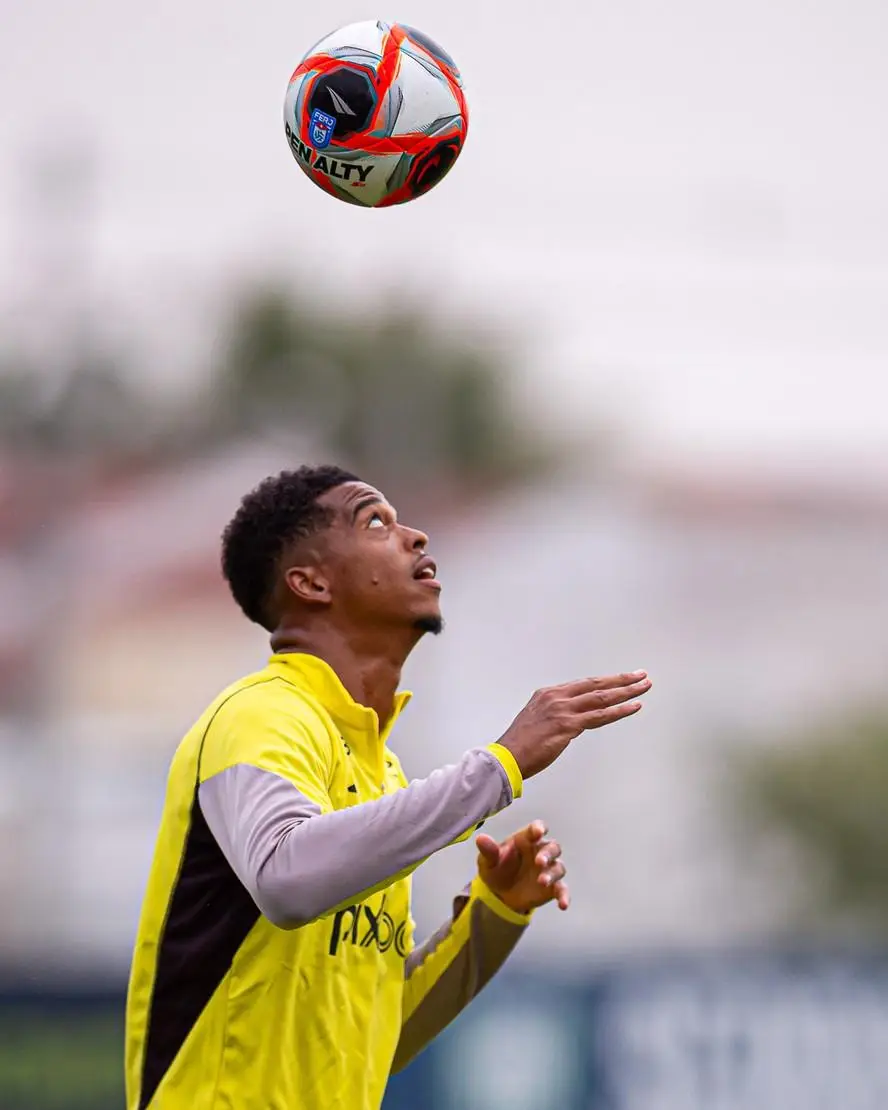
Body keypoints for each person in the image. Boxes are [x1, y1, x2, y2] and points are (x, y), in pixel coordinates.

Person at [125, 465, 651, 1110]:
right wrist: (500, 765)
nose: (416, 536)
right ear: (310, 581)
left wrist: (494, 914)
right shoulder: (260, 715)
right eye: (375, 521)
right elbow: (285, 879)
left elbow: (377, 1034)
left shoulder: (383, 773)